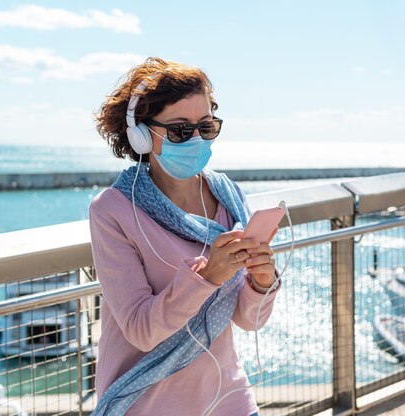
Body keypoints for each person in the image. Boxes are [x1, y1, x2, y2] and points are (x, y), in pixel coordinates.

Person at [88, 57, 281, 416]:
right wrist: (207, 277)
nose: (195, 139)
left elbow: (246, 319)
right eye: (179, 130)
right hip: (146, 403)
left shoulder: (228, 195)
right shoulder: (112, 211)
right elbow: (141, 330)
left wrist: (262, 282)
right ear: (142, 135)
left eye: (206, 127)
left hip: (228, 397)